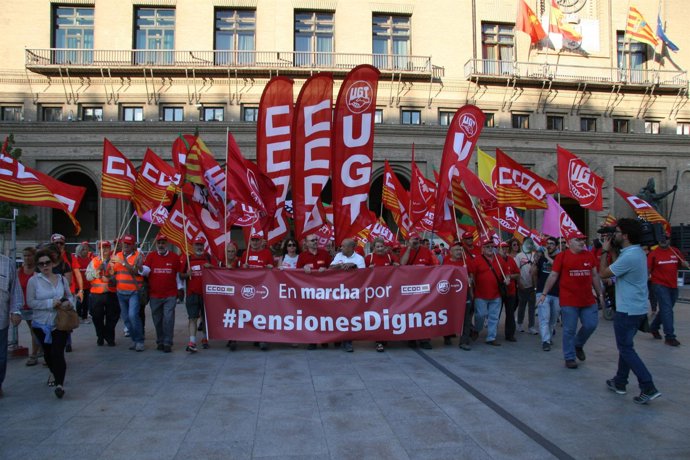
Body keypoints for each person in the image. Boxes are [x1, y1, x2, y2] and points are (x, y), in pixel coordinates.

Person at [600, 218, 661, 404]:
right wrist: (612, 251)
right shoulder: (634, 253)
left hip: (627, 310)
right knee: (626, 346)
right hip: (636, 308)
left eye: (617, 232)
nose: (614, 235)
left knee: (625, 348)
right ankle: (620, 381)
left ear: (625, 236)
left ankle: (648, 386)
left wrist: (604, 252)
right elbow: (620, 268)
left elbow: (603, 274)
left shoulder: (631, 255)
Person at [539, 230, 604, 369]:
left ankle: (578, 344)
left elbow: (594, 276)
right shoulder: (561, 257)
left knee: (591, 324)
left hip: (587, 300)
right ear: (568, 243)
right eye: (578, 239)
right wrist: (544, 293)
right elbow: (553, 276)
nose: (582, 242)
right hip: (569, 300)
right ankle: (569, 357)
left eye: (583, 239)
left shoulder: (589, 255)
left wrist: (600, 294)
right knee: (569, 330)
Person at [27, 248, 74, 399]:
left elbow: (69, 295)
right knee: (48, 354)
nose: (45, 266)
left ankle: (59, 384)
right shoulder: (33, 281)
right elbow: (31, 302)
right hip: (41, 323)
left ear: (53, 263)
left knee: (57, 352)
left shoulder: (61, 279)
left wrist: (69, 304)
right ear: (38, 266)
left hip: (59, 322)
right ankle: (54, 374)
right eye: (41, 264)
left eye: (47, 262)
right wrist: (49, 303)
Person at [142, 234, 183, 353]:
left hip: (170, 294)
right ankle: (160, 340)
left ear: (167, 244)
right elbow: (145, 271)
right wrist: (139, 267)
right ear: (156, 244)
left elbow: (178, 276)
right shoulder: (151, 256)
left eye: (163, 243)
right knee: (157, 320)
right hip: (154, 295)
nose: (161, 245)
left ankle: (167, 342)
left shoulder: (174, 257)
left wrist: (180, 289)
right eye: (159, 243)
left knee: (168, 319)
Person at [647, 232, 689, 346]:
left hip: (673, 286)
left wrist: (685, 264)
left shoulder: (675, 251)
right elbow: (648, 270)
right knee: (667, 310)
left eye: (665, 238)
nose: (663, 240)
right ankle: (670, 336)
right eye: (661, 238)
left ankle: (654, 327)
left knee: (666, 310)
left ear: (669, 239)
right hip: (659, 285)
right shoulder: (653, 254)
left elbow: (681, 264)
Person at [399, 231, 438, 349]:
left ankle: (424, 339)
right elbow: (402, 263)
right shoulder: (404, 250)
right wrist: (409, 248)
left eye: (417, 239)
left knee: (425, 313)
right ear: (408, 240)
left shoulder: (427, 251)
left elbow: (434, 267)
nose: (415, 241)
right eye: (412, 239)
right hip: (408, 289)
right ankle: (411, 338)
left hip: (424, 288)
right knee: (410, 313)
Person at [470, 237, 510, 346]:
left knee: (494, 317)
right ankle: (477, 329)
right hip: (481, 294)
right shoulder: (477, 260)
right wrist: (471, 284)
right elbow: (471, 274)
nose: (490, 248)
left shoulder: (499, 259)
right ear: (482, 249)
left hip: (496, 294)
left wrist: (507, 279)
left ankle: (491, 337)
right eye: (487, 247)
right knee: (480, 315)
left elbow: (506, 272)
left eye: (492, 246)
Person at [109, 234, 145, 352]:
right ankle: (135, 340)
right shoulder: (117, 255)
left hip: (134, 291)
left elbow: (136, 271)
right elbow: (112, 273)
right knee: (126, 318)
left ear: (133, 245)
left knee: (133, 316)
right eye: (124, 243)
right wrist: (108, 270)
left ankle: (139, 341)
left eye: (129, 244)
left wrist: (123, 262)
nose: (126, 246)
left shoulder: (139, 256)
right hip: (120, 292)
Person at [330, 238, 365, 352]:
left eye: (343, 246)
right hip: (338, 291)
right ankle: (338, 338)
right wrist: (340, 266)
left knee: (349, 317)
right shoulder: (338, 256)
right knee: (338, 315)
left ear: (351, 248)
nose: (341, 248)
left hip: (352, 293)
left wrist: (353, 265)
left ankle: (348, 341)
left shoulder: (359, 259)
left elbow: (365, 276)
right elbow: (330, 269)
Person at [181, 236, 214, 353]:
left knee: (205, 318)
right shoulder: (188, 259)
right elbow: (180, 275)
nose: (199, 247)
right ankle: (192, 341)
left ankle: (205, 338)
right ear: (193, 246)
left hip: (207, 294)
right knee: (192, 318)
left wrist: (211, 268)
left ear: (203, 246)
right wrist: (186, 274)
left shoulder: (208, 258)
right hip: (192, 293)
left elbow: (218, 273)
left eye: (201, 245)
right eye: (197, 245)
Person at [85, 241, 120, 346]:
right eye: (102, 248)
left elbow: (119, 277)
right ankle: (100, 335)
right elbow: (88, 276)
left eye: (106, 248)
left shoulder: (114, 261)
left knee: (113, 316)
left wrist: (111, 278)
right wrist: (97, 271)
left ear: (110, 249)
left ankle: (109, 337)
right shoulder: (94, 261)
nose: (104, 250)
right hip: (97, 294)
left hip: (111, 293)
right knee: (97, 317)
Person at [443, 240, 474, 350]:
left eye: (460, 250)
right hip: (450, 295)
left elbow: (471, 276)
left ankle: (464, 341)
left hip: (464, 293)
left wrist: (471, 284)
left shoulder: (465, 262)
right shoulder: (445, 262)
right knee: (449, 316)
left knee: (466, 317)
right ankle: (447, 336)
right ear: (450, 251)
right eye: (456, 249)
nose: (459, 251)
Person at [1, 253, 24, 398]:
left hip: (1, 320)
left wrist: (15, 311)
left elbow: (15, 289)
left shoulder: (6, 263)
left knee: (1, 357)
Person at [532, 237, 560, 352]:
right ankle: (545, 340)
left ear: (556, 246)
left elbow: (558, 267)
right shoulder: (541, 258)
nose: (548, 246)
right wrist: (535, 261)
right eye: (547, 243)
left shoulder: (559, 258)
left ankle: (548, 335)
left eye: (551, 244)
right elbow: (533, 272)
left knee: (553, 318)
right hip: (542, 292)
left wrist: (547, 257)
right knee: (544, 317)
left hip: (556, 292)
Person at [17, 247, 41, 366]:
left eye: (29, 255)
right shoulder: (19, 271)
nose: (26, 258)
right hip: (24, 306)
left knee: (34, 331)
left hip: (36, 305)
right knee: (33, 330)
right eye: (24, 255)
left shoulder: (38, 270)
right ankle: (40, 350)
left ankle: (34, 354)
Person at [514, 239, 538, 335]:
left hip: (532, 286)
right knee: (522, 306)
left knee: (532, 307)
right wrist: (519, 283)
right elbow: (516, 270)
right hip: (523, 285)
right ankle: (519, 324)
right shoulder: (519, 256)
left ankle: (531, 326)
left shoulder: (534, 255)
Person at [498, 241, 520, 342]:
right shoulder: (496, 260)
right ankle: (492, 333)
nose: (505, 249)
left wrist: (510, 276)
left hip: (511, 291)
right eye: (503, 248)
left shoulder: (511, 259)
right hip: (498, 291)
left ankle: (510, 334)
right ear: (499, 249)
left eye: (506, 247)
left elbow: (518, 274)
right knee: (496, 313)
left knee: (510, 313)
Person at [72, 242, 94, 323]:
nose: (86, 251)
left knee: (86, 302)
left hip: (88, 285)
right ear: (79, 251)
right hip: (79, 286)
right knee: (79, 302)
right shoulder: (76, 260)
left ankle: (84, 317)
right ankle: (78, 316)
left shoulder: (89, 260)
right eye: (84, 249)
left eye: (87, 249)